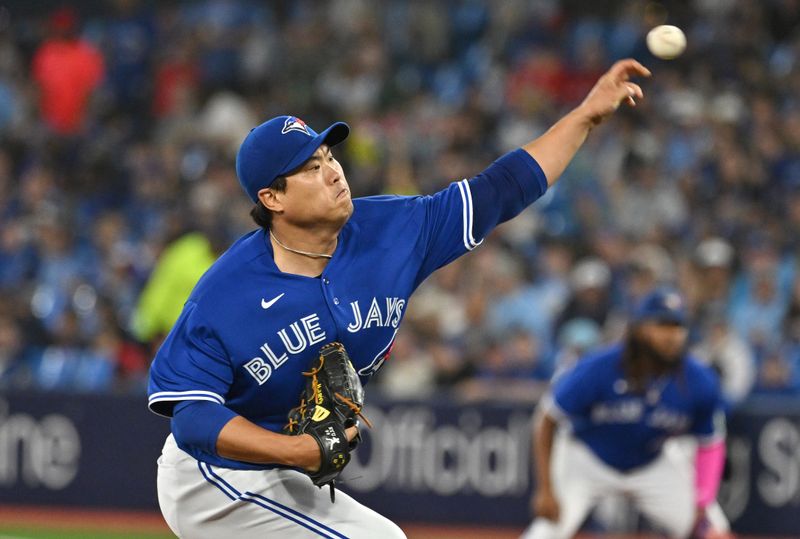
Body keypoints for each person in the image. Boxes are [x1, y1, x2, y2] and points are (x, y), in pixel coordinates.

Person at [147, 59, 650, 538]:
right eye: (309, 168)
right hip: (210, 479)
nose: (333, 172)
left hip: (282, 472)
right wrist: (296, 449)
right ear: (272, 199)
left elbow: (502, 190)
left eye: (328, 157)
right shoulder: (225, 293)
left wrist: (584, 116)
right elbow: (192, 417)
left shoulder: (393, 230)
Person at [522, 288, 730, 539]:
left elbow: (710, 443)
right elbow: (547, 418)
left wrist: (702, 501)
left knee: (715, 532)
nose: (672, 335)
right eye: (663, 325)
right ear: (640, 328)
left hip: (652, 464)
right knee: (546, 533)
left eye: (678, 326)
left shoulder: (698, 379)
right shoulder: (599, 367)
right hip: (586, 458)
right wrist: (545, 488)